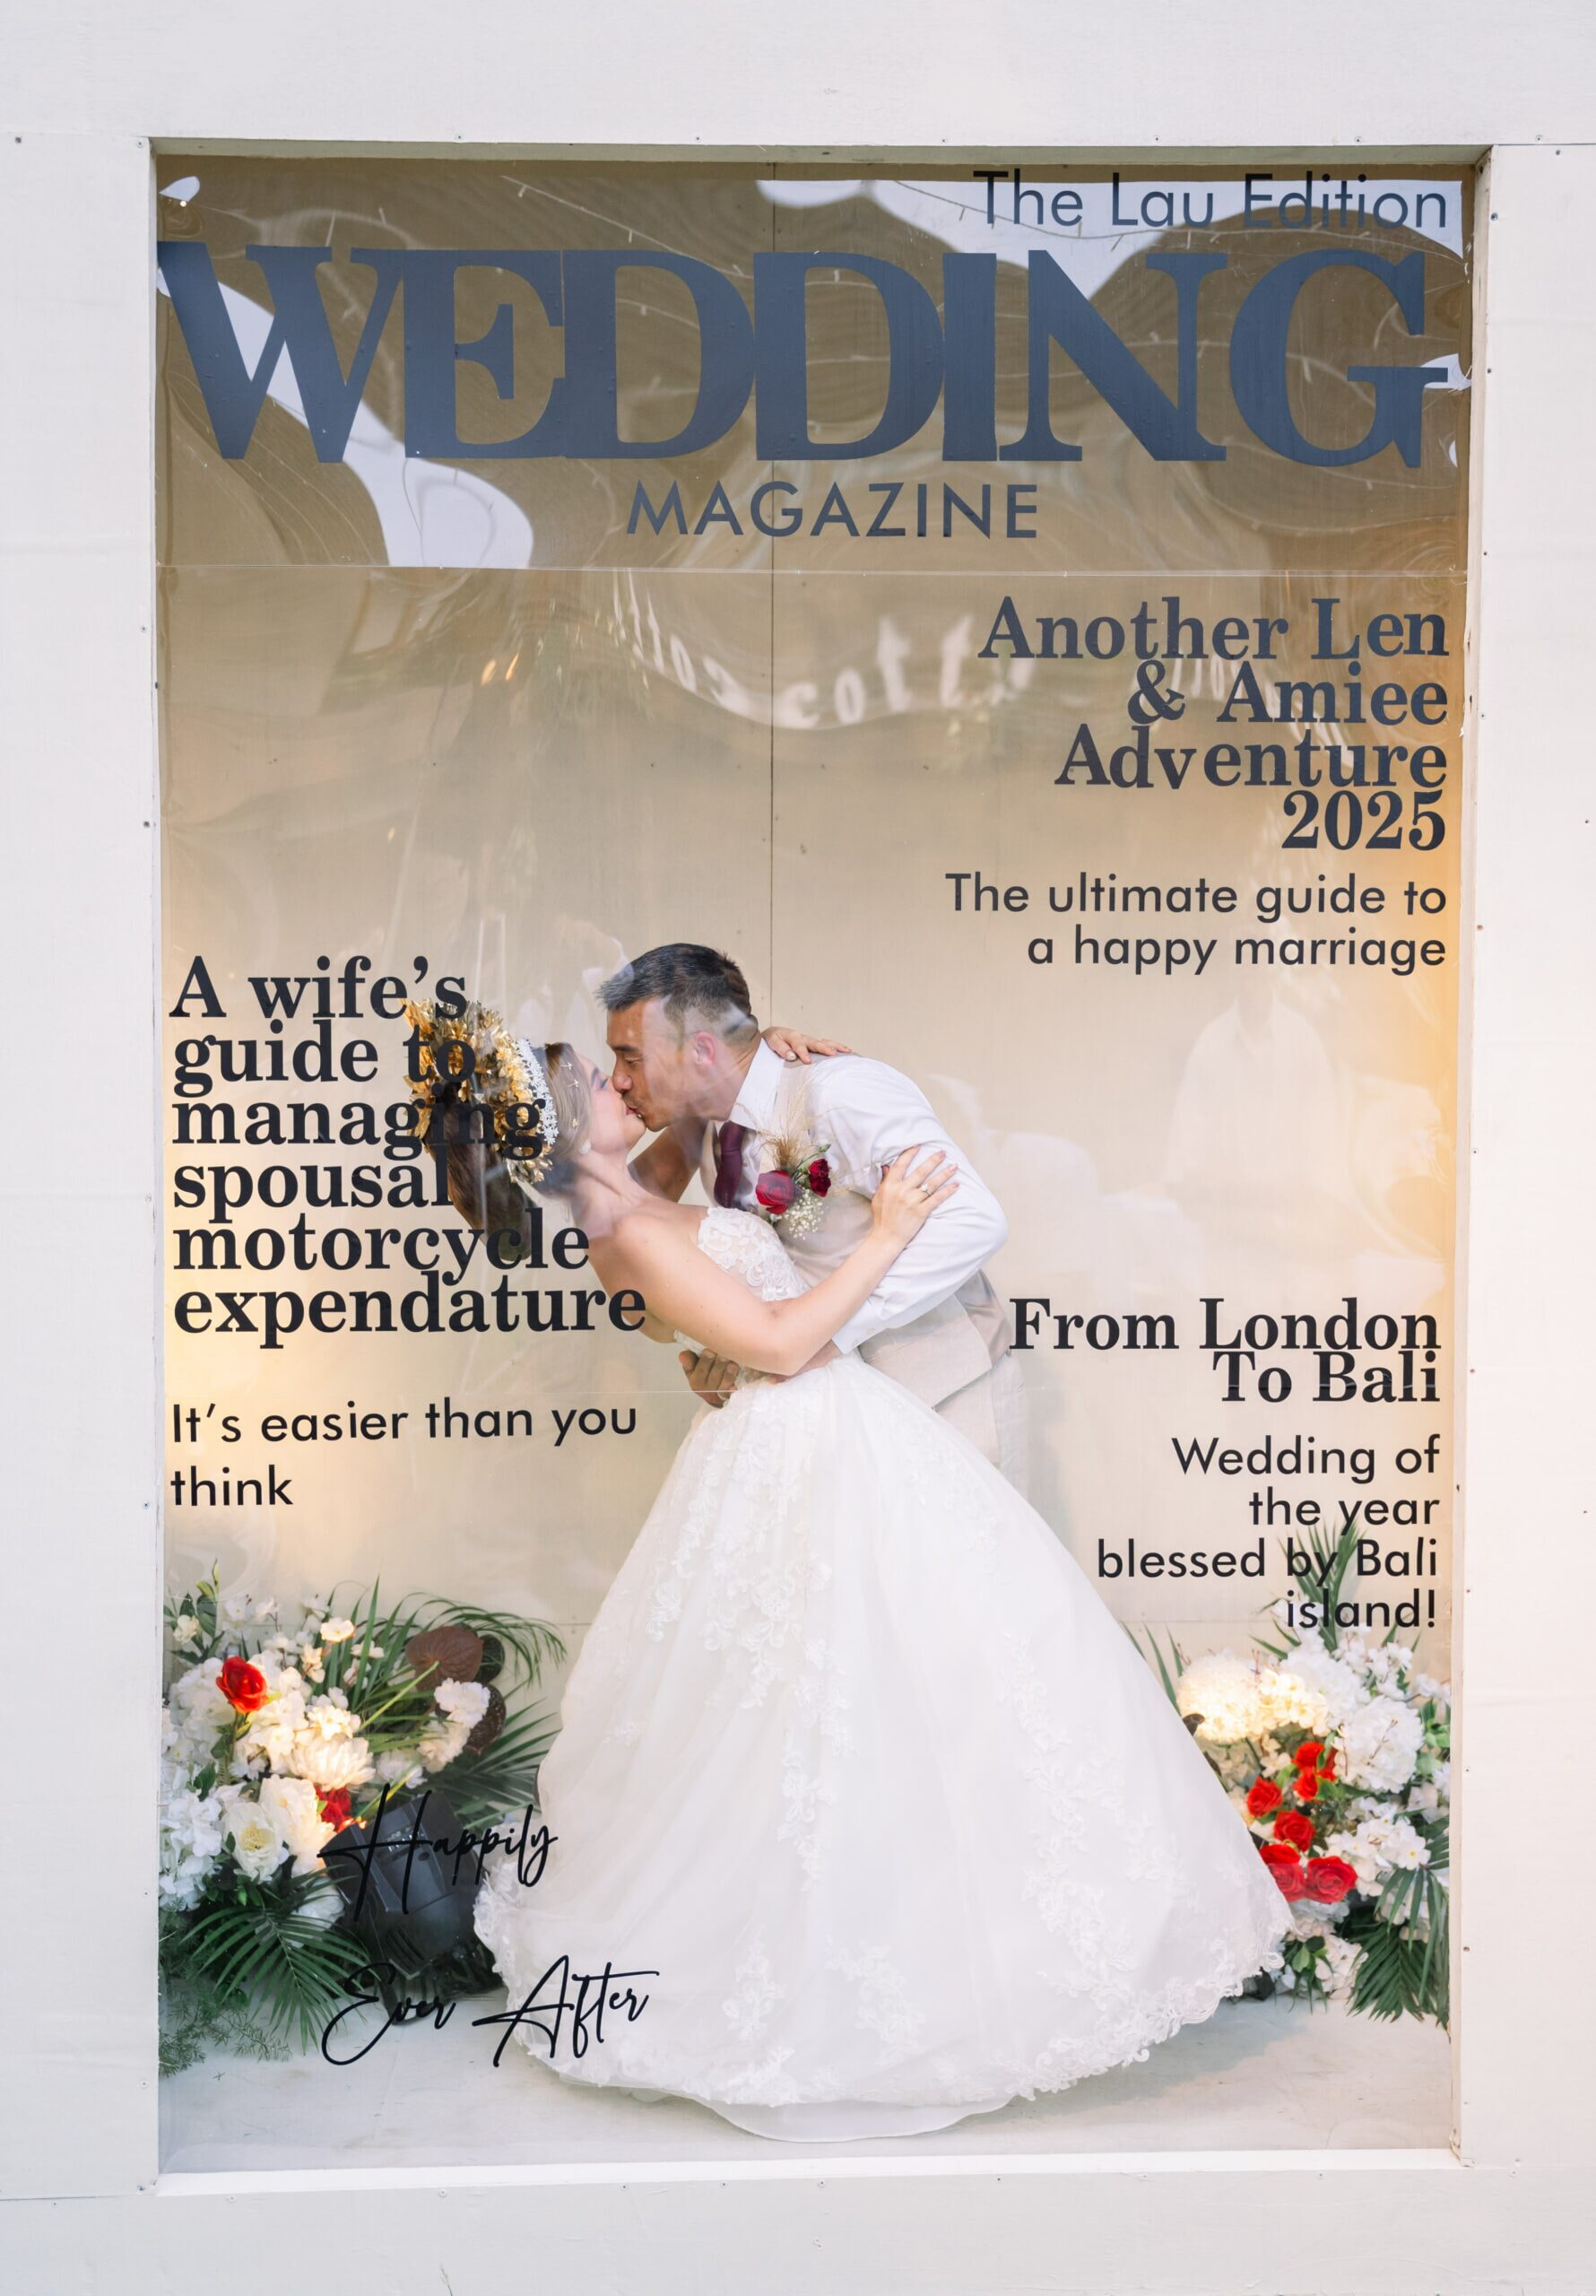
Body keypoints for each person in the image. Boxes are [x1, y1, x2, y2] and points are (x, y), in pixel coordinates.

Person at [470, 1042, 1290, 2143]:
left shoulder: (637, 1188)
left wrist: (767, 1044)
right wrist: (890, 1233)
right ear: (567, 1133)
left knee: (905, 1694)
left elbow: (709, 1121)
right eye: (602, 1080)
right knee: (824, 1711)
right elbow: (779, 1342)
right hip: (799, 1442)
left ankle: (943, 1944)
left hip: (834, 1434)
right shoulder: (624, 1230)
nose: (625, 1083)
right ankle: (854, 1983)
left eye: (621, 1066)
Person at [600, 944, 1029, 1492]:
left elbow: (973, 1220)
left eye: (631, 1059)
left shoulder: (840, 1092)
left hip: (948, 1401)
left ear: (702, 1050)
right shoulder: (706, 1126)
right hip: (838, 1418)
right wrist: (738, 1361)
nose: (619, 1080)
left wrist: (829, 1340)